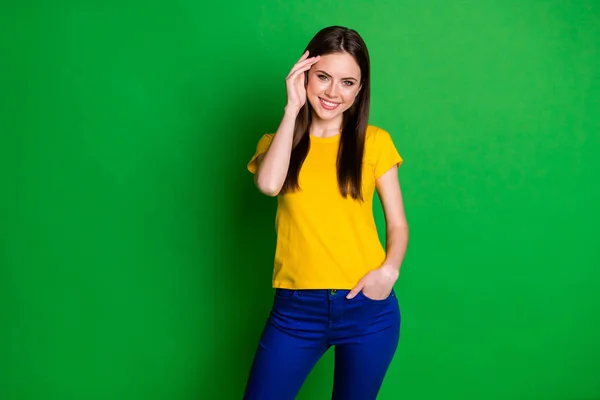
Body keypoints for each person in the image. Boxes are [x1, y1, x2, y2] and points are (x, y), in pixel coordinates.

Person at [243, 25, 409, 400]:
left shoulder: (375, 143)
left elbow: (397, 224)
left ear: (360, 88)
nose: (334, 92)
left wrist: (389, 271)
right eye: (323, 77)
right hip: (295, 312)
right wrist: (292, 109)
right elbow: (269, 185)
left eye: (348, 82)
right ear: (304, 75)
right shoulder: (275, 144)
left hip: (367, 309)